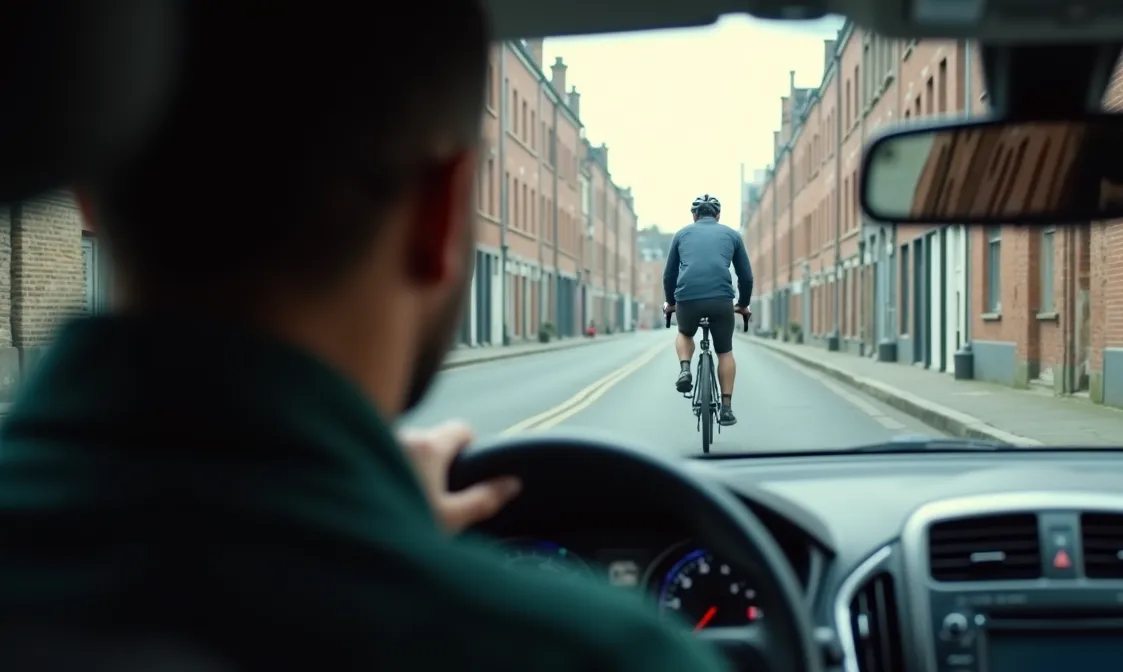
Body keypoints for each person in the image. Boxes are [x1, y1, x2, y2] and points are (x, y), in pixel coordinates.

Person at [0, 4, 727, 672]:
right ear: (442, 213)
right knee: (715, 343)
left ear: (89, 195)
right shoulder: (600, 655)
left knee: (686, 335)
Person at [662, 194, 753, 426]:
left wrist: (670, 302)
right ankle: (727, 408)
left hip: (687, 298)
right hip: (721, 299)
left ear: (694, 216)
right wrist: (742, 304)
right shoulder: (732, 235)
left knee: (684, 332)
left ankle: (685, 369)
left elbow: (669, 275)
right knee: (724, 351)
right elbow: (746, 276)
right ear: (718, 215)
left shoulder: (681, 235)